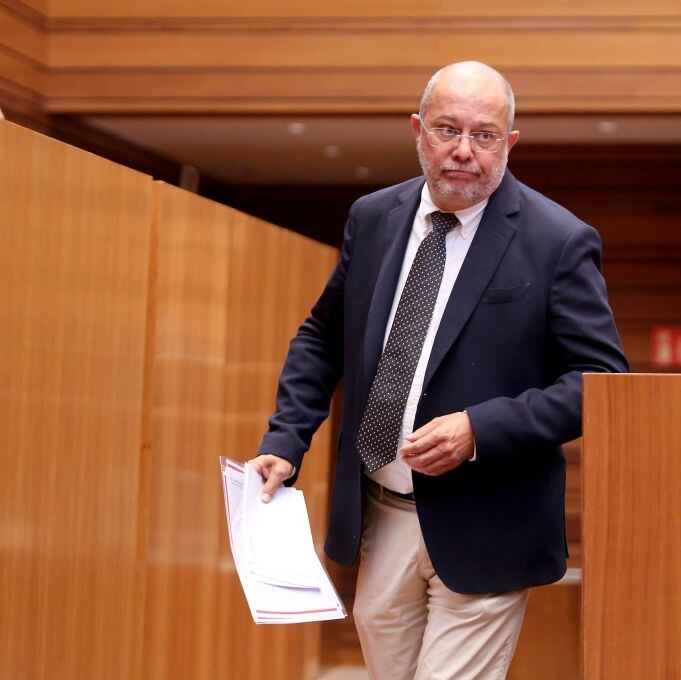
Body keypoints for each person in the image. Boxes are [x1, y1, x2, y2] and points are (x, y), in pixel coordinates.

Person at [249, 61, 627, 679]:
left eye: (484, 136)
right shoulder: (373, 218)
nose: (463, 152)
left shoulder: (557, 239)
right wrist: (286, 440)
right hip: (382, 513)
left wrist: (480, 429)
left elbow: (601, 383)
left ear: (510, 143)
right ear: (417, 131)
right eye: (447, 130)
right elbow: (322, 336)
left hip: (490, 522)